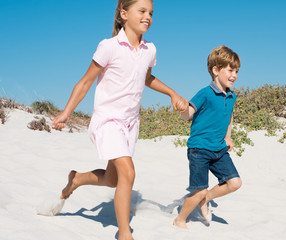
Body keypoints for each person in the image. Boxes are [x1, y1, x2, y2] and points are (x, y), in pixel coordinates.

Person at [52, 0, 187, 239]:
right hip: (107, 121)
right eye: (142, 11)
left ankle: (77, 178)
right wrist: (66, 112)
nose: (148, 17)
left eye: (151, 13)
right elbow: (85, 82)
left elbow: (147, 78)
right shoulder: (109, 46)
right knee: (129, 173)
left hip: (129, 124)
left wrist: (172, 93)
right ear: (124, 13)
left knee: (113, 180)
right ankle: (124, 234)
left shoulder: (150, 50)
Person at [173, 45, 243, 229]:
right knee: (198, 191)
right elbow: (188, 114)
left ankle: (207, 198)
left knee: (235, 183)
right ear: (215, 70)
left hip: (219, 149)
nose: (234, 75)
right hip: (199, 150)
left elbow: (228, 117)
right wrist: (182, 109)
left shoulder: (231, 96)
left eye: (236, 71)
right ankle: (180, 219)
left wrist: (228, 137)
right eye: (230, 70)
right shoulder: (205, 93)